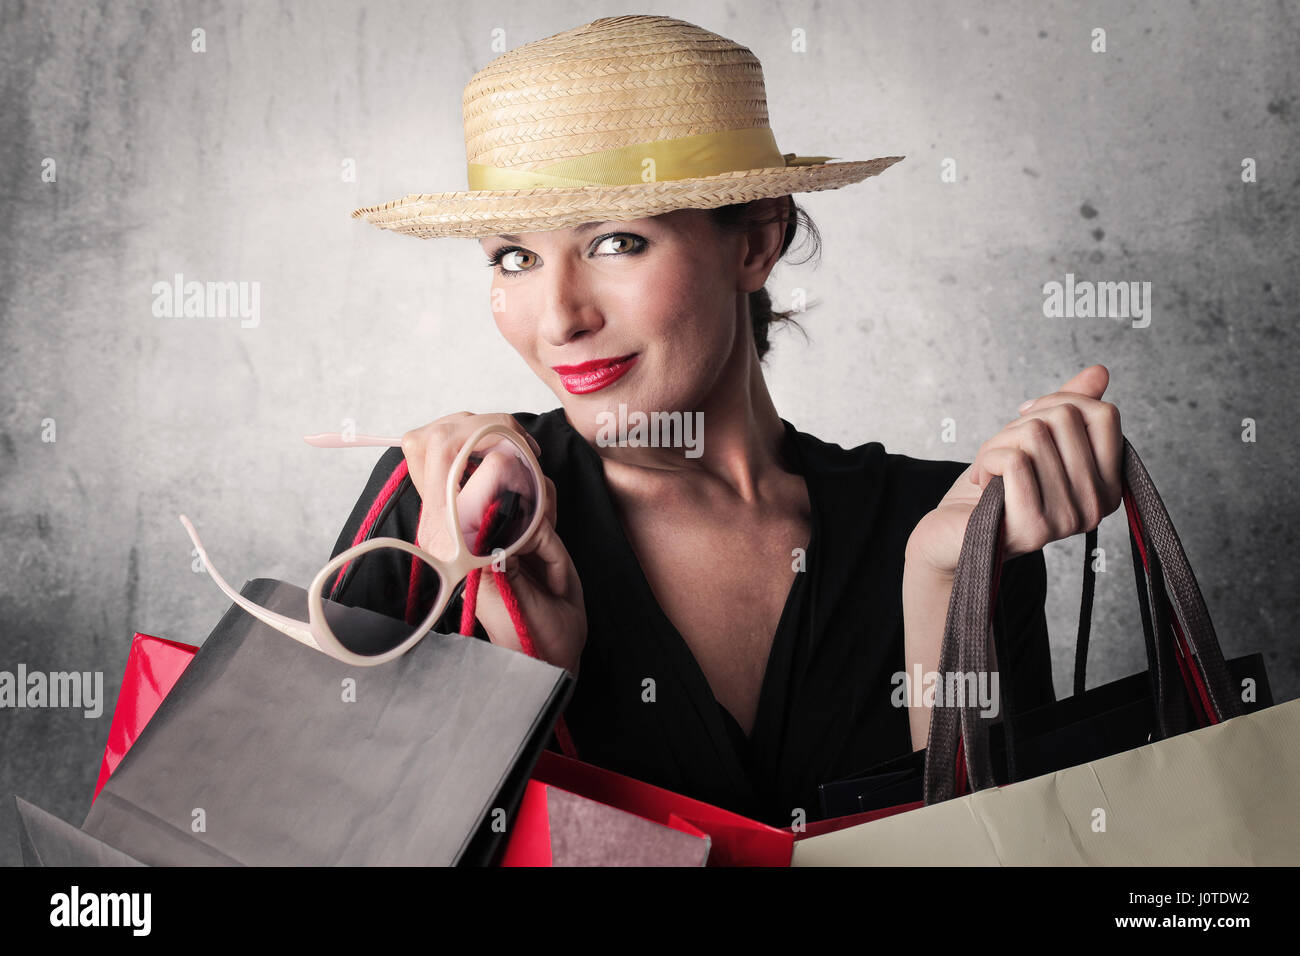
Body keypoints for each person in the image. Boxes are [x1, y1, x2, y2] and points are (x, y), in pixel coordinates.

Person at [329, 15, 1125, 827]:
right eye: (514, 257)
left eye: (613, 242)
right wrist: (521, 681)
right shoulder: (446, 504)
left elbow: (1006, 856)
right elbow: (318, 835)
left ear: (756, 240)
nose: (559, 318)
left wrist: (943, 592)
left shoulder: (954, 523)